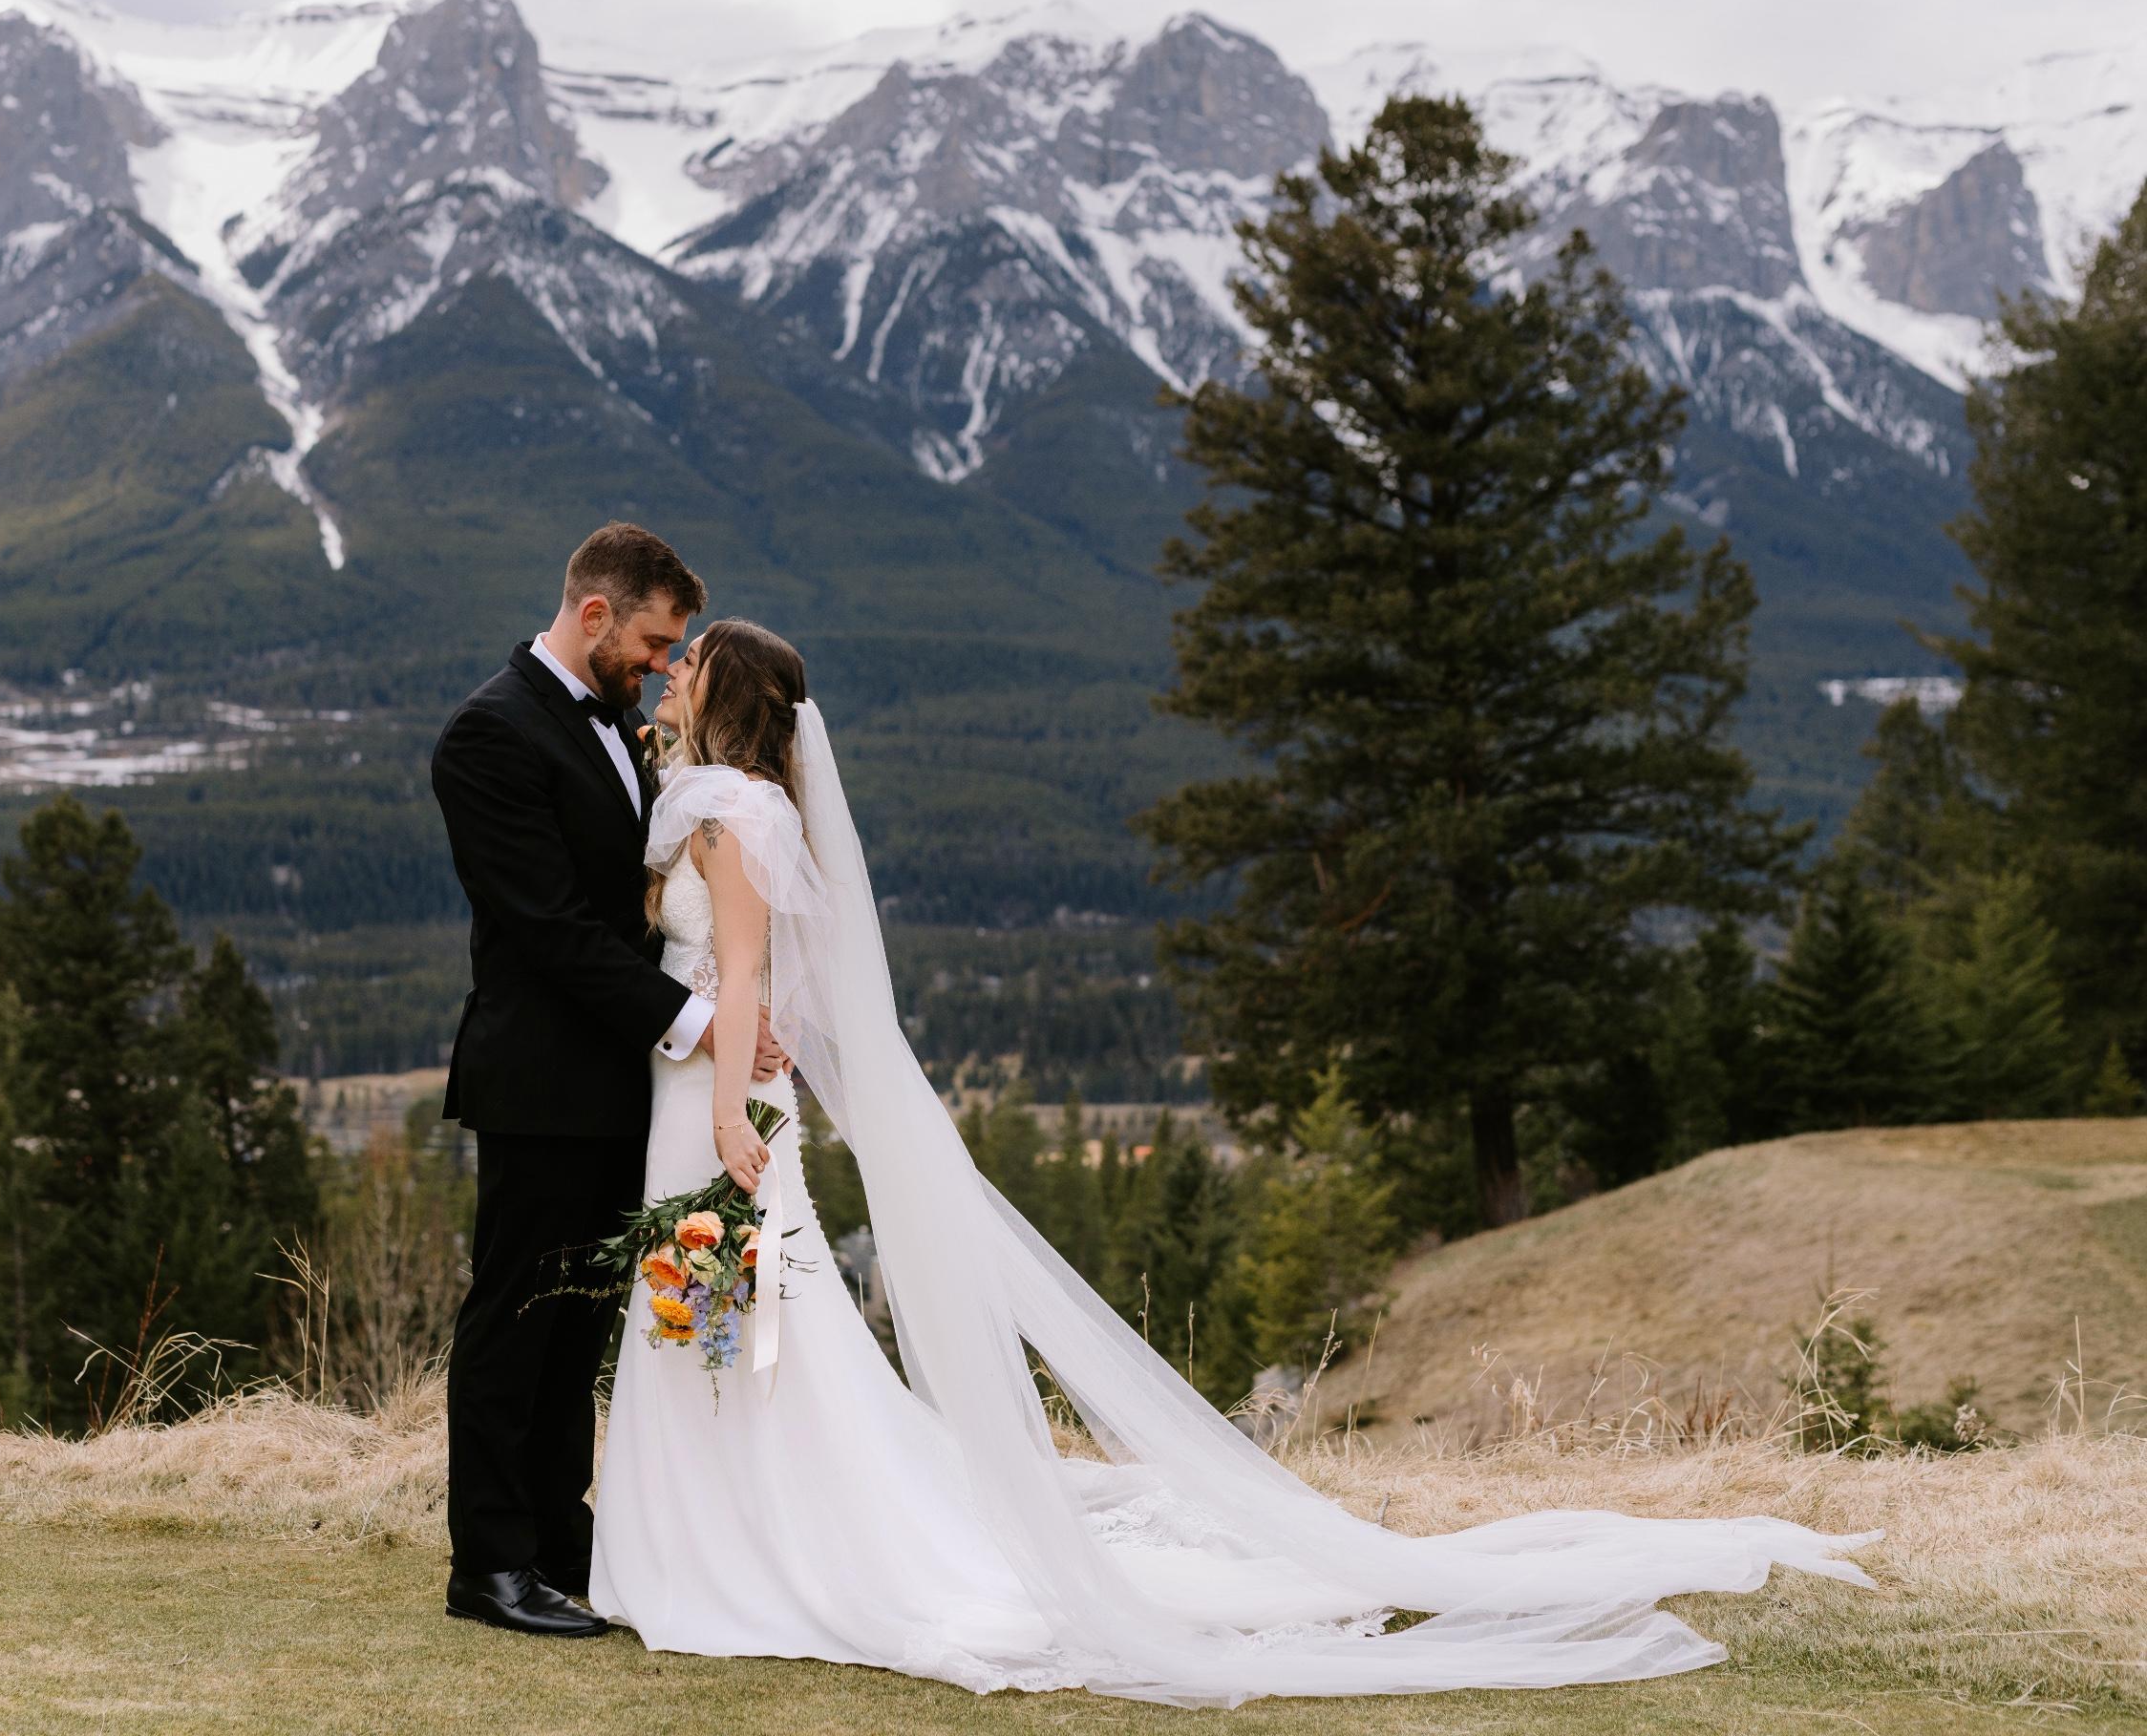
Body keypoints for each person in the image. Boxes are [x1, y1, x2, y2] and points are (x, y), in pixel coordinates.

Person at [585, 616, 1880, 1707]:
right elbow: (770, 985)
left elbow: (747, 971)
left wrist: (731, 1118)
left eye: (690, 662)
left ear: (728, 700)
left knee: (742, 1318)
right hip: (705, 1089)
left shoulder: (722, 815)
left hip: (711, 1107)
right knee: (747, 1320)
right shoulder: (741, 806)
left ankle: (735, 1549)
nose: (673, 671)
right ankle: (729, 1533)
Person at [427, 523, 785, 1638]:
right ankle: (488, 1563)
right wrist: (701, 1017)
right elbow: (549, 930)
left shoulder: (624, 731)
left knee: (580, 1324)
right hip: (536, 1079)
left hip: (624, 1081)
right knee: (513, 1319)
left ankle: (555, 1533)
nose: (661, 661)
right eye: (651, 637)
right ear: (594, 615)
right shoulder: (487, 735)